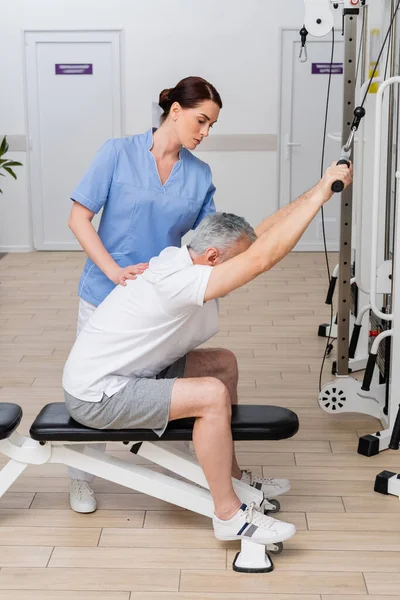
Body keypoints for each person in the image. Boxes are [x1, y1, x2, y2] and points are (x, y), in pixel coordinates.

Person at [62, 161, 353, 542]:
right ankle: (229, 514)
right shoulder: (179, 279)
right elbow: (262, 259)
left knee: (222, 365)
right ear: (214, 257)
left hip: (128, 374)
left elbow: (257, 240)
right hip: (98, 395)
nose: (242, 272)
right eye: (235, 262)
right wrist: (320, 197)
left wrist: (320, 187)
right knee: (211, 395)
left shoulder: (186, 255)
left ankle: (233, 479)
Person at [66, 76, 222, 511]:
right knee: (97, 387)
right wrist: (115, 272)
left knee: (157, 382)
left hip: (158, 303)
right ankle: (81, 477)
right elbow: (79, 218)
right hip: (103, 292)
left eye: (211, 125)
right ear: (175, 111)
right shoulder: (117, 153)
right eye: (201, 120)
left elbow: (209, 240)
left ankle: (191, 469)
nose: (205, 132)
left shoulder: (199, 174)